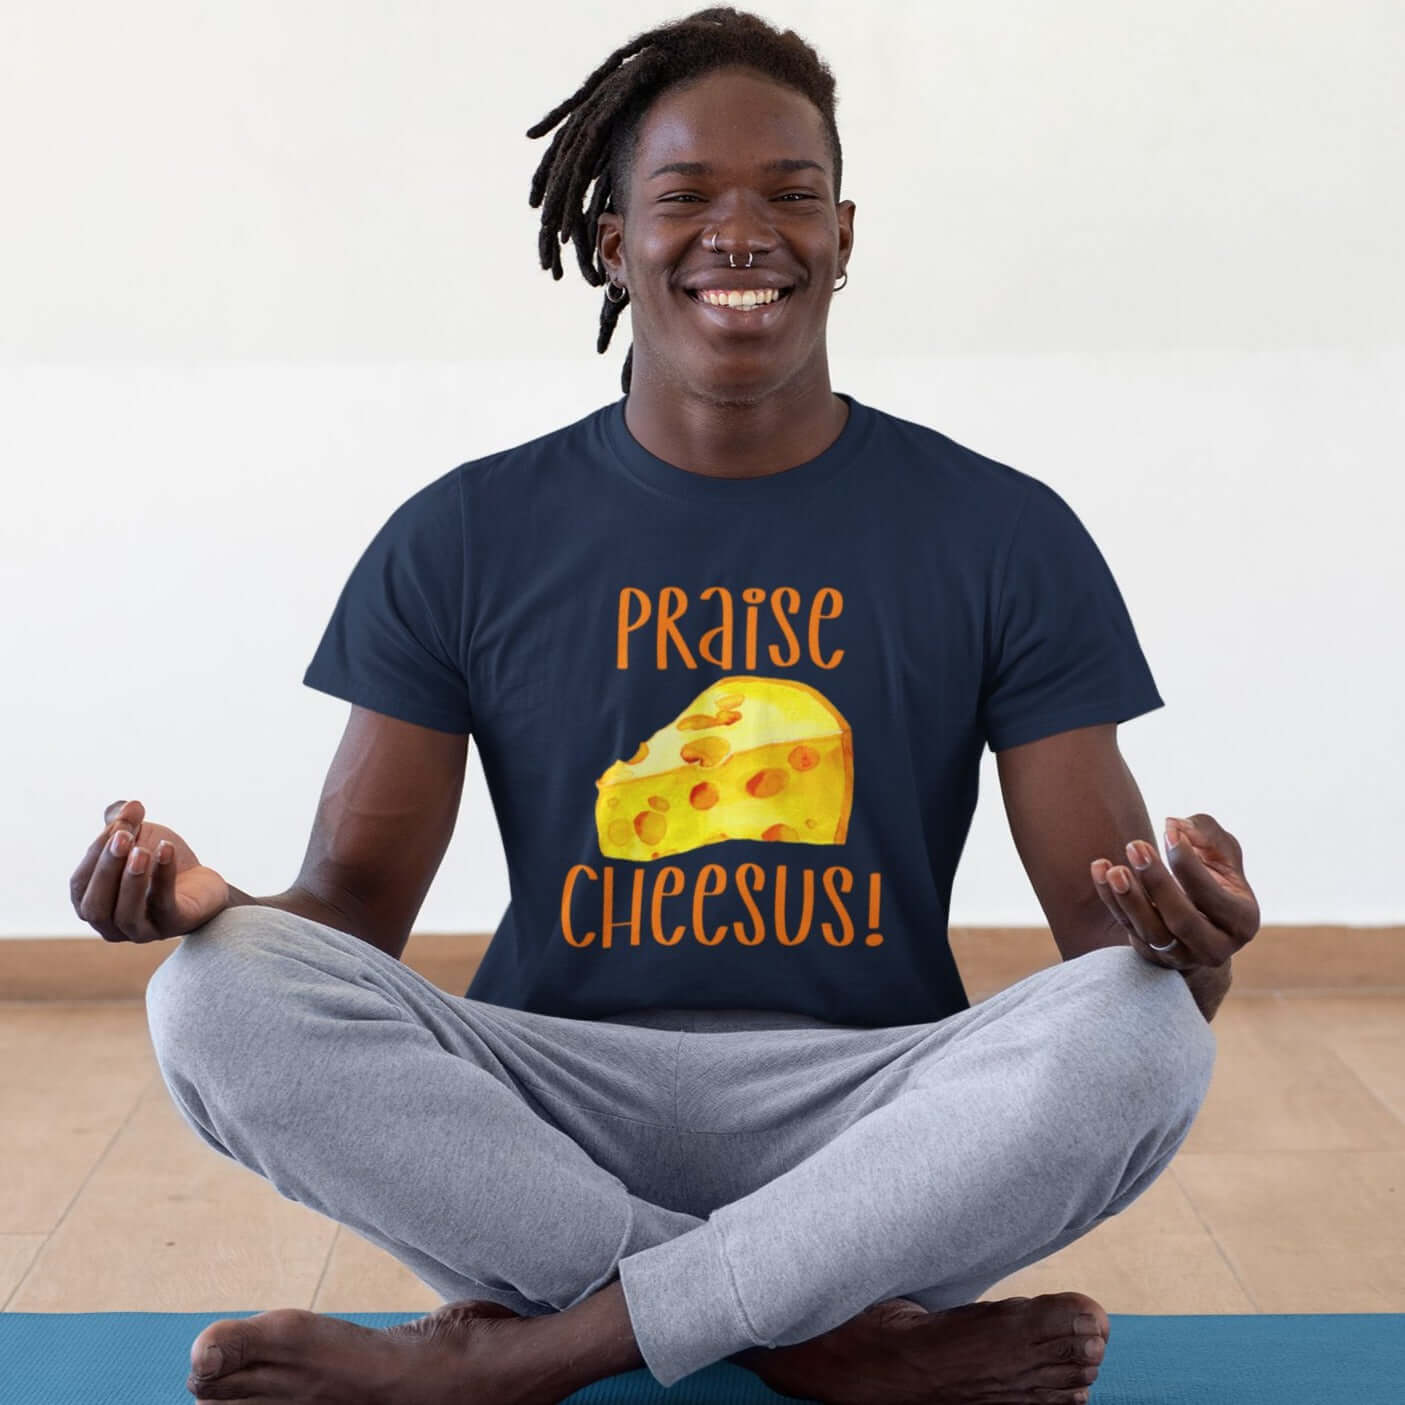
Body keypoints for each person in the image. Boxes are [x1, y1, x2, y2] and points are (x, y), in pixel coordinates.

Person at [73, 8, 1257, 1403]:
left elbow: (1095, 945)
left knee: (1143, 1028)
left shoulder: (1002, 532)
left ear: (845, 235)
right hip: (542, 1120)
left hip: (865, 1121)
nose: (742, 231)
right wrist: (211, 905)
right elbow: (353, 909)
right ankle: (819, 1337)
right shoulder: (462, 533)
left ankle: (527, 1351)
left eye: (790, 196)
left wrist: (1195, 945)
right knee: (213, 997)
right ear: (607, 243)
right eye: (686, 196)